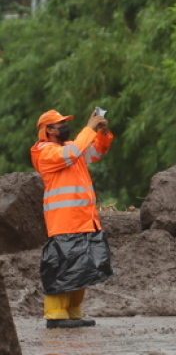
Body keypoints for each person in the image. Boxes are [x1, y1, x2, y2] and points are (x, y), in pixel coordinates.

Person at [30, 109, 115, 329]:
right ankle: (56, 315)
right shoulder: (44, 151)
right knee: (62, 265)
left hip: (84, 218)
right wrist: (89, 127)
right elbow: (75, 152)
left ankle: (73, 313)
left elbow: (95, 152)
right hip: (64, 220)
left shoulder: (69, 148)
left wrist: (102, 133)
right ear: (47, 130)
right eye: (60, 124)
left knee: (81, 266)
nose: (64, 127)